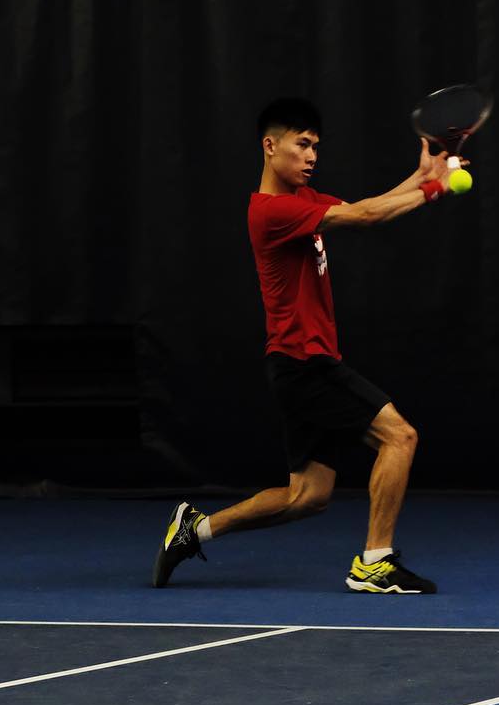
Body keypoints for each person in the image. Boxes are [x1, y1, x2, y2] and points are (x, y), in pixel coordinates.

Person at [152, 97, 459, 593]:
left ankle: (195, 529)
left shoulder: (304, 200)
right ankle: (375, 563)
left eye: (316, 145)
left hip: (298, 365)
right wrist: (431, 191)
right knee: (399, 437)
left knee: (308, 496)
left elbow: (364, 207)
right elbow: (365, 218)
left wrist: (420, 176)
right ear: (270, 147)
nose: (312, 155)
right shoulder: (272, 211)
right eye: (303, 144)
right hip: (305, 364)